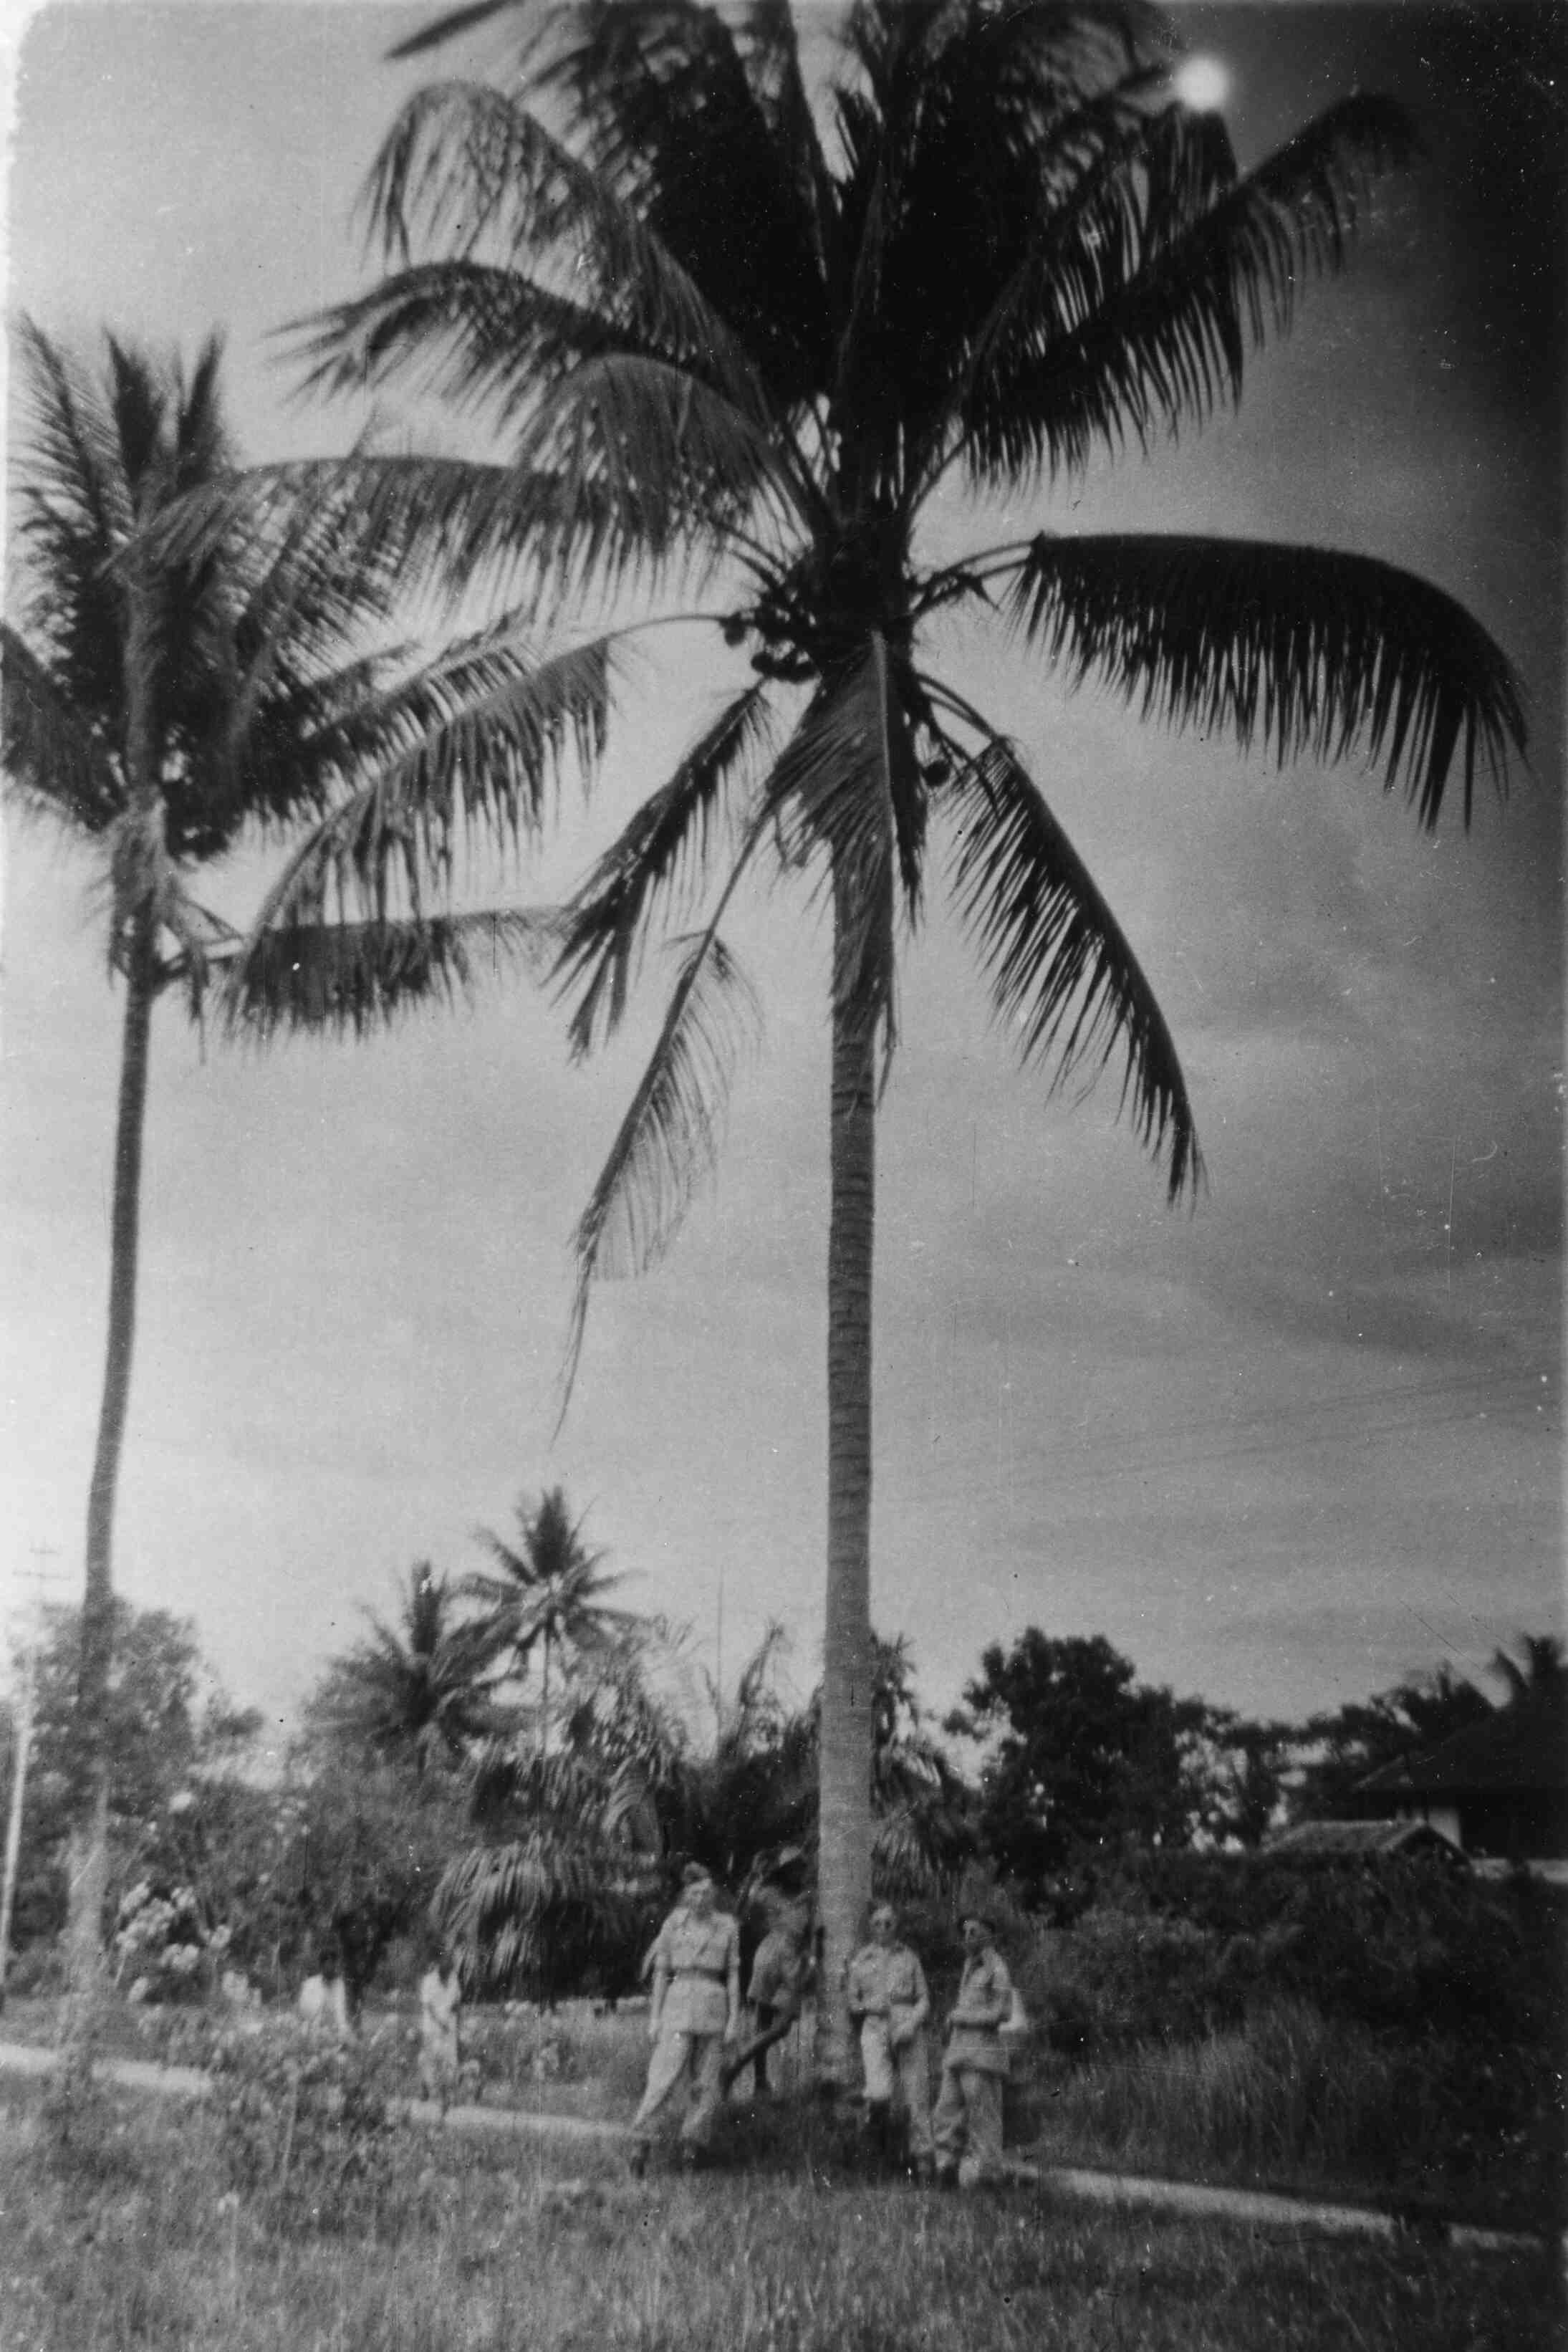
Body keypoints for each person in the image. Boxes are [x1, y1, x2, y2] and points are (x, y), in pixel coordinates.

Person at [628, 1861, 741, 2175]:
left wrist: (733, 2020)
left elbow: (733, 1974)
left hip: (713, 2005)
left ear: (713, 1893)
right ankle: (641, 2144)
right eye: (695, 1893)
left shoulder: (728, 1926)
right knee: (662, 2078)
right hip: (678, 2005)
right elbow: (662, 1972)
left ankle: (692, 2148)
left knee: (706, 2085)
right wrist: (654, 2018)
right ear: (686, 1896)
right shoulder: (673, 1924)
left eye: (707, 1892)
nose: (701, 1899)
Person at [845, 1900, 934, 2179]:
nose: (883, 1928)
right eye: (878, 1924)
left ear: (896, 1926)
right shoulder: (861, 1959)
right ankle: (875, 2159)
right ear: (871, 1927)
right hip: (874, 2026)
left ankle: (923, 2163)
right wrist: (867, 2008)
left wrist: (911, 2023)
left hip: (906, 2023)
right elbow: (852, 2000)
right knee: (879, 2094)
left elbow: (924, 1999)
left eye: (889, 1923)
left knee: (916, 2095)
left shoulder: (909, 1957)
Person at [933, 1907, 1014, 2189]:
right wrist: (951, 2020)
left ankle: (991, 2177)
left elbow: (1002, 2013)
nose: (968, 1938)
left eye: (974, 1932)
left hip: (982, 2055)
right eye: (965, 1933)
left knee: (984, 2119)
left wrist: (960, 2017)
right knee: (946, 2113)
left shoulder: (997, 1969)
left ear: (989, 1935)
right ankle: (946, 2172)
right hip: (958, 2053)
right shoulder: (969, 1967)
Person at [739, 1900, 814, 2096]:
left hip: (764, 1980)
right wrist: (810, 1963)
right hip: (772, 1983)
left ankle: (760, 2081)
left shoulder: (779, 1931)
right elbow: (792, 1975)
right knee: (775, 2030)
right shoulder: (789, 1935)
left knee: (763, 2031)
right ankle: (758, 2078)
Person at [418, 1938, 463, 2109]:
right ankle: (425, 2087)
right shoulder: (429, 1981)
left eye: (452, 1961)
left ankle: (452, 2095)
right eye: (447, 1960)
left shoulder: (454, 1981)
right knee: (430, 2060)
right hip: (431, 2027)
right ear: (439, 1962)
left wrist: (457, 2027)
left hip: (448, 2028)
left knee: (451, 2061)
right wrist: (439, 2022)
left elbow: (457, 2006)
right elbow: (428, 2006)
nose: (450, 1963)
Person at [297, 1944, 352, 2042]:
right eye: (327, 1964)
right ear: (321, 1966)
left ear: (336, 1965)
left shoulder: (339, 1984)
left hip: (332, 2030)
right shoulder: (310, 1984)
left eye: (333, 1964)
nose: (330, 1968)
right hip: (312, 2029)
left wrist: (343, 2031)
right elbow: (303, 2011)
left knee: (348, 2039)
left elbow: (340, 2012)